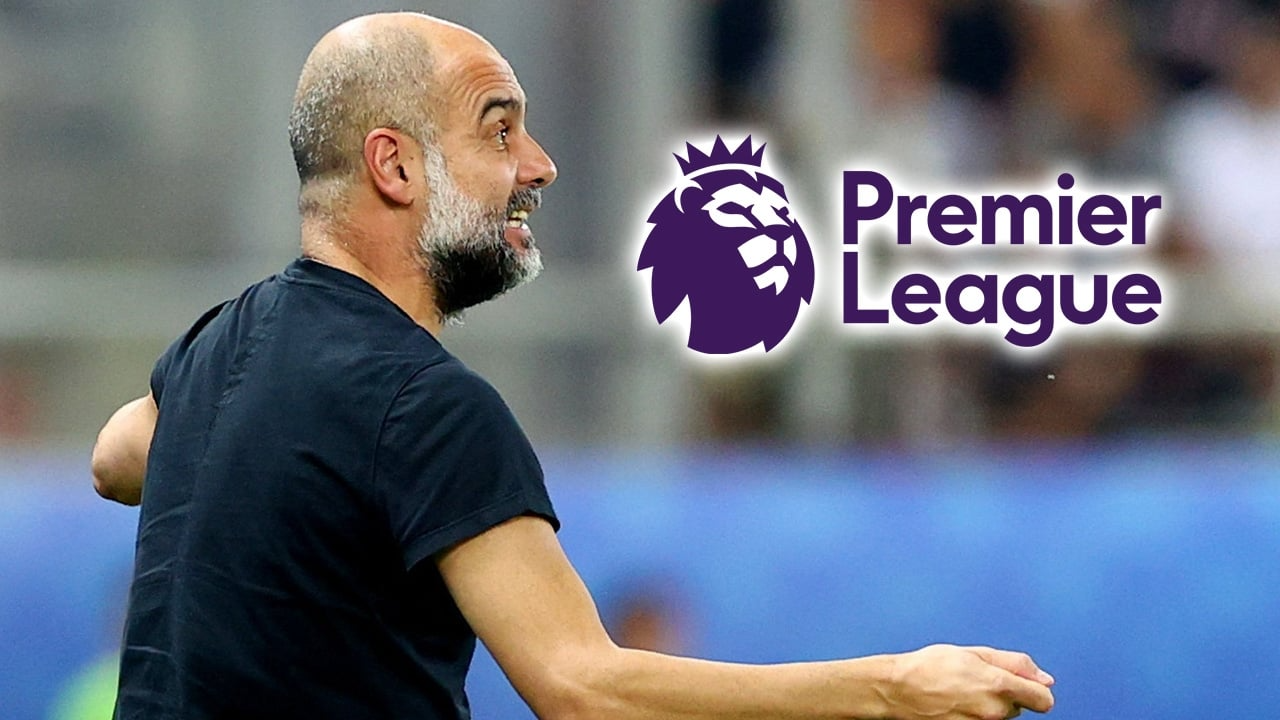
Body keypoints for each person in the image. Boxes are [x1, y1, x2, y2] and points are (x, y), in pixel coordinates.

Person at [91, 12, 1056, 720]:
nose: (540, 164)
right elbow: (581, 686)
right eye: (499, 129)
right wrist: (894, 687)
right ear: (395, 167)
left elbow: (115, 456)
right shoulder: (423, 406)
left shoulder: (221, 344)